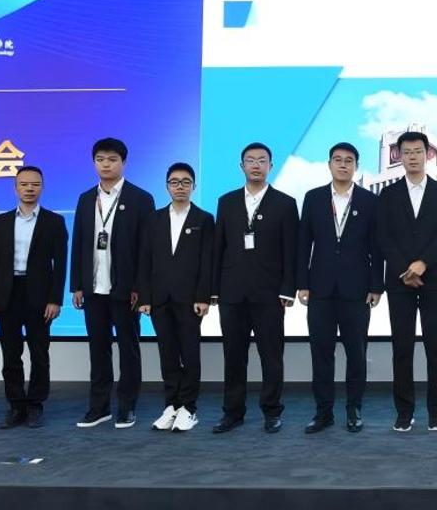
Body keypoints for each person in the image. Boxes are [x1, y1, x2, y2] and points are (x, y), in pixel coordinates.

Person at [212, 142, 300, 434]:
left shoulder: (285, 203)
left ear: (270, 166)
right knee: (233, 356)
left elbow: (292, 251)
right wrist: (214, 290)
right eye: (250, 160)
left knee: (271, 357)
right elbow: (218, 247)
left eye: (262, 160)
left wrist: (288, 289)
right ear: (242, 166)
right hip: (232, 293)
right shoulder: (226, 202)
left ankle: (272, 411)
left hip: (270, 295)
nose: (256, 165)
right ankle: (232, 412)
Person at [297, 142, 383, 434]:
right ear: (329, 164)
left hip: (357, 289)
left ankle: (354, 409)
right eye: (337, 160)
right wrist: (302, 283)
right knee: (321, 352)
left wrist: (376, 285)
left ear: (356, 166)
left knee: (356, 353)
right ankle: (323, 412)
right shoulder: (313, 198)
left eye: (349, 160)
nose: (343, 165)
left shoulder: (370, 201)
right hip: (319, 288)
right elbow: (303, 243)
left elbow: (377, 247)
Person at [70, 137, 155, 429]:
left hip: (126, 290)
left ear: (124, 162)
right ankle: (99, 407)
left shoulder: (141, 199)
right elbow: (79, 243)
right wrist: (77, 284)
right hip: (93, 288)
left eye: (112, 159)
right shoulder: (85, 198)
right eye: (100, 160)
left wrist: (141, 289)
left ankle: (127, 406)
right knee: (98, 349)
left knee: (128, 349)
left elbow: (147, 250)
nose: (106, 165)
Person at [376, 131, 437, 432]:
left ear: (427, 155)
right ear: (399, 156)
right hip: (400, 281)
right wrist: (406, 270)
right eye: (407, 152)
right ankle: (404, 411)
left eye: (418, 151)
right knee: (402, 348)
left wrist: (422, 264)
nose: (413, 157)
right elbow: (383, 236)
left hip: (434, 278)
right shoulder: (387, 194)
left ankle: (436, 412)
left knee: (436, 347)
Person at [0, 165, 67, 429]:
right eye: (24, 184)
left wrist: (55, 299)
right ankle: (16, 405)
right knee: (10, 353)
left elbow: (60, 265)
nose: (30, 189)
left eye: (35, 184)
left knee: (39, 353)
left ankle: (35, 404)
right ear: (15, 188)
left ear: (42, 187)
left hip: (39, 296)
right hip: (7, 294)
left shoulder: (54, 221)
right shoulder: (0, 222)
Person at [136, 163, 215, 433]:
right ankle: (171, 405)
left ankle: (189, 408)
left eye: (185, 182)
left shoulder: (204, 219)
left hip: (190, 299)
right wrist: (145, 297)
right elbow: (144, 259)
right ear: (167, 186)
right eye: (174, 182)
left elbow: (207, 262)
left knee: (189, 354)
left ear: (194, 186)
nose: (180, 187)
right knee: (167, 353)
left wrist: (203, 296)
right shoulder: (153, 219)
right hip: (159, 298)